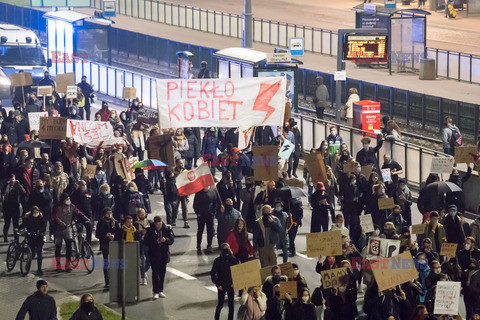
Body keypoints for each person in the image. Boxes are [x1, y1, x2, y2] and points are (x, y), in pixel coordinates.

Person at [53, 193, 88, 271]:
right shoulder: (57, 207)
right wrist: (62, 224)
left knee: (69, 245)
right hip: (58, 229)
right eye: (66, 199)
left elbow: (78, 212)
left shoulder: (71, 206)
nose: (68, 200)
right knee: (58, 246)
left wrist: (85, 218)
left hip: (68, 228)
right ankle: (58, 264)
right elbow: (55, 217)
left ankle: (67, 263)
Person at [144, 216, 174, 299]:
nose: (158, 226)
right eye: (157, 224)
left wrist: (165, 240)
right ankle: (155, 291)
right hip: (154, 254)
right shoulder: (150, 230)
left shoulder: (166, 229)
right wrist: (154, 241)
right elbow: (146, 241)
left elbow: (171, 240)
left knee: (162, 273)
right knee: (155, 273)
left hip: (163, 254)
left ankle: (161, 290)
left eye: (160, 224)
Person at [211, 243, 238, 320]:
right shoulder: (217, 261)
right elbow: (213, 274)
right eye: (225, 249)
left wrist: (234, 282)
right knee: (220, 304)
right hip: (221, 285)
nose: (227, 250)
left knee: (231, 305)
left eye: (228, 248)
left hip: (231, 285)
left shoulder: (233, 260)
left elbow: (237, 272)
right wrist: (218, 284)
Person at [95, 207, 120, 287]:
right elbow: (97, 234)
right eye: (108, 213)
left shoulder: (115, 222)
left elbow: (119, 233)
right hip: (105, 244)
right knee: (106, 262)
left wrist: (114, 236)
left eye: (110, 213)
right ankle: (107, 280)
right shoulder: (101, 222)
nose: (109, 215)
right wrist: (105, 235)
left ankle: (114, 279)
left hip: (113, 244)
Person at [18, 206, 46, 275]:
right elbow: (23, 225)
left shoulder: (41, 218)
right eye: (34, 212)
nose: (36, 213)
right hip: (31, 238)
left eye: (37, 212)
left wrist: (39, 232)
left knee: (39, 254)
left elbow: (44, 228)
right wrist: (18, 228)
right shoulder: (28, 218)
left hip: (39, 238)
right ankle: (28, 264)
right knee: (32, 253)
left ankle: (39, 269)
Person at [194, 186, 217, 254]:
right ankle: (198, 244)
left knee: (210, 231)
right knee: (200, 230)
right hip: (201, 216)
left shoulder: (212, 193)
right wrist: (198, 213)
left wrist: (213, 213)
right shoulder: (198, 194)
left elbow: (215, 204)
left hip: (209, 215)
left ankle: (209, 245)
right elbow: (195, 205)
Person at [3, 174, 25, 242]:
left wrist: (19, 184)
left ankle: (16, 238)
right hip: (7, 207)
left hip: (15, 207)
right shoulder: (6, 186)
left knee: (15, 224)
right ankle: (5, 237)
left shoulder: (17, 186)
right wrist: (7, 184)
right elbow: (4, 193)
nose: (12, 181)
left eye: (13, 179)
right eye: (11, 180)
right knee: (7, 223)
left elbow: (23, 192)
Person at [135, 208, 152, 285]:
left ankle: (144, 271)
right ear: (138, 215)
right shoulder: (135, 223)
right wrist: (141, 233)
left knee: (150, 260)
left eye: (144, 214)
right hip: (140, 244)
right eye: (141, 214)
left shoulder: (149, 222)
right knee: (142, 260)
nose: (143, 216)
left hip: (148, 243)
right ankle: (143, 278)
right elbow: (134, 234)